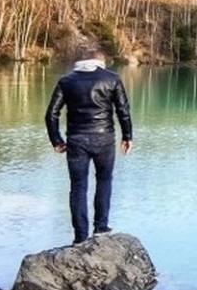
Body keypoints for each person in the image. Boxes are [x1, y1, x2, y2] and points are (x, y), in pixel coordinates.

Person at [45, 45, 133, 244]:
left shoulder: (67, 81)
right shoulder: (112, 79)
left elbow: (51, 114)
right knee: (104, 180)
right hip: (104, 139)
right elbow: (123, 110)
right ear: (101, 62)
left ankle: (80, 236)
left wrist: (56, 140)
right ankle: (101, 227)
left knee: (78, 187)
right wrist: (127, 136)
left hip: (76, 140)